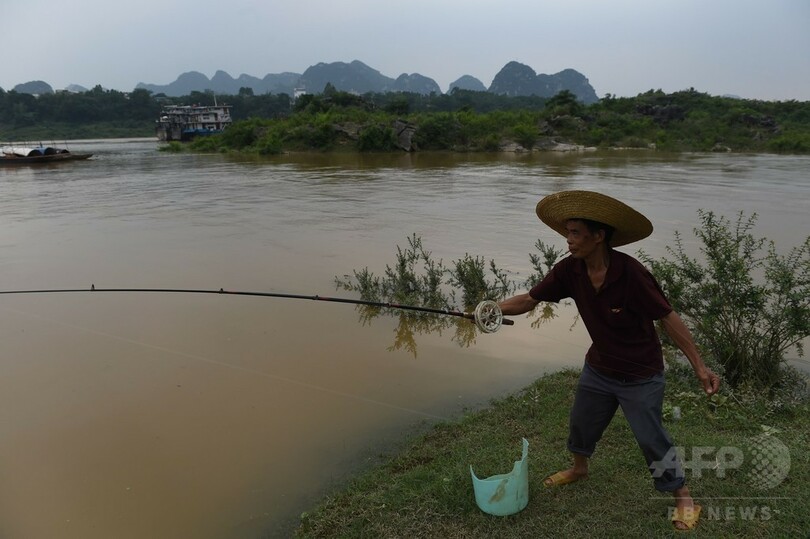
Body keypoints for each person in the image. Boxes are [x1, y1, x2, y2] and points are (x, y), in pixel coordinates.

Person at [497, 190, 721, 531]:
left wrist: (699, 366)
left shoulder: (631, 274)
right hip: (599, 368)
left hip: (641, 373)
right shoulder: (569, 271)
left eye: (575, 233)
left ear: (598, 236)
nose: (568, 241)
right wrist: (490, 309)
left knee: (650, 437)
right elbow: (530, 299)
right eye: (567, 232)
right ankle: (579, 468)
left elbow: (669, 318)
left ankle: (683, 497)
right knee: (582, 423)